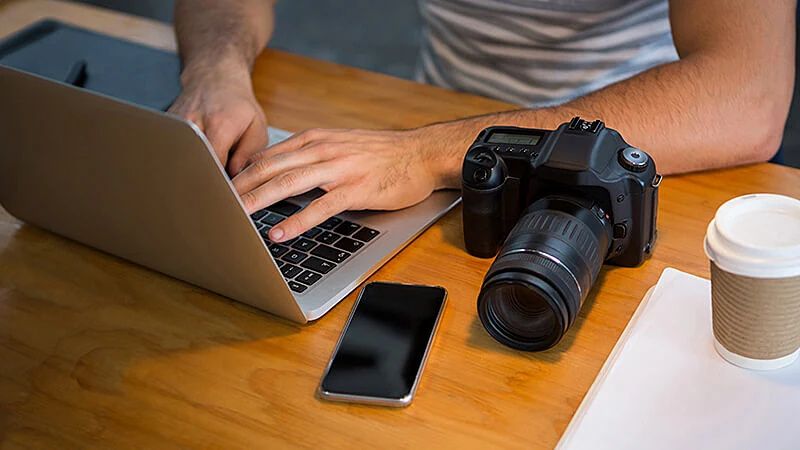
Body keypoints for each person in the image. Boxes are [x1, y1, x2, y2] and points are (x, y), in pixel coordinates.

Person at [169, 0, 796, 244]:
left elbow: (744, 93)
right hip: (425, 130)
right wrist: (215, 67)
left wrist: (432, 152)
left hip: (643, 156)